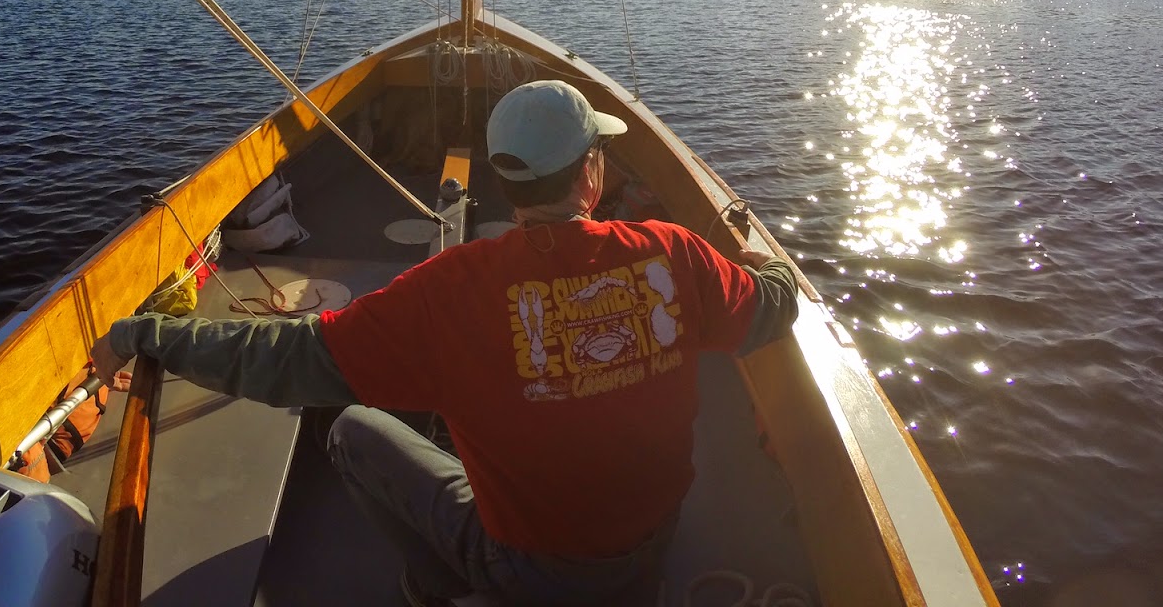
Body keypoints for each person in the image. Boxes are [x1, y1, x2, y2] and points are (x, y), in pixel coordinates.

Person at [89, 80, 799, 606]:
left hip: (531, 571)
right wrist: (769, 265)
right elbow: (770, 309)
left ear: (505, 178)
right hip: (651, 549)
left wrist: (147, 335)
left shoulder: (450, 290)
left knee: (355, 432)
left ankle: (433, 590)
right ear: (591, 174)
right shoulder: (675, 254)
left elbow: (285, 364)